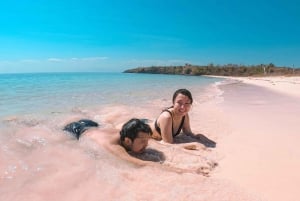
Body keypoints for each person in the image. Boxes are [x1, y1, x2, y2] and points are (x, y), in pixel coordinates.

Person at [63, 118, 152, 154]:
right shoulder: (114, 146)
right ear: (128, 141)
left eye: (147, 141)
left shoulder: (127, 133)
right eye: (143, 142)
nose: (146, 145)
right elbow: (139, 163)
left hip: (92, 125)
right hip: (76, 130)